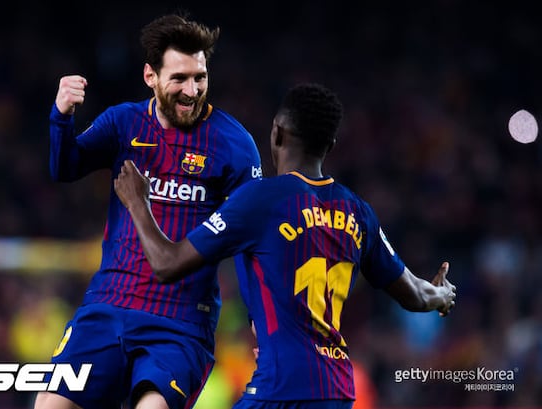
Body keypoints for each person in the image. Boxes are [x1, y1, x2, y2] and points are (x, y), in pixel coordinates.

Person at [113, 83, 457, 409]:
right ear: (330, 145)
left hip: (282, 386)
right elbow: (416, 294)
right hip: (336, 389)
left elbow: (167, 263)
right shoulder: (359, 212)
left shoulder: (261, 199)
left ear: (277, 132)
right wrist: (442, 295)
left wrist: (137, 203)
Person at [35, 13, 262, 409]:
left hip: (180, 322)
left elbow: (252, 241)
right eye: (179, 79)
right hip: (108, 305)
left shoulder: (235, 145)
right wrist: (61, 116)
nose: (192, 91)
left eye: (200, 78)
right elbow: (65, 167)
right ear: (150, 76)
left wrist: (261, 321)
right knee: (50, 405)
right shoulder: (123, 123)